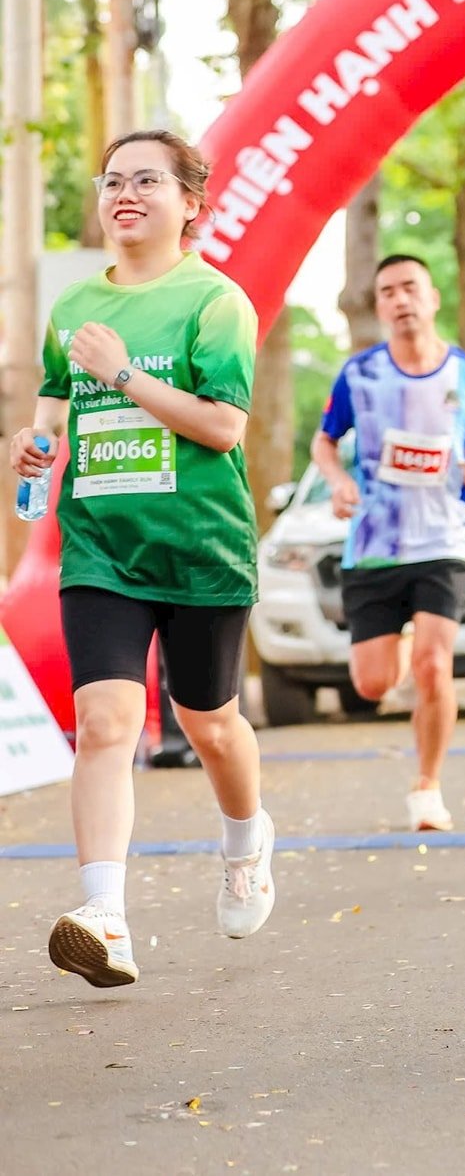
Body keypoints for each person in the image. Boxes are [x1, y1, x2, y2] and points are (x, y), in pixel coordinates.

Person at [9, 129, 275, 988]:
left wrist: (124, 376)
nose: (125, 193)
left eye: (147, 180)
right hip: (102, 548)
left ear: (191, 202)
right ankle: (106, 918)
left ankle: (245, 840)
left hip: (201, 548)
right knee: (107, 726)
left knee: (210, 724)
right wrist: (36, 443)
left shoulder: (216, 300)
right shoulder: (76, 305)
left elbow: (222, 426)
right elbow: (56, 398)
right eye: (112, 179)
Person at [311, 253, 465, 832]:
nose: (400, 301)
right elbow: (325, 442)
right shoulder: (359, 375)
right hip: (374, 543)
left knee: (434, 666)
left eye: (410, 289)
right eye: (388, 293)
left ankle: (428, 786)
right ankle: (399, 645)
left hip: (445, 540)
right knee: (372, 683)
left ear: (432, 299)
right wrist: (338, 480)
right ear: (378, 307)